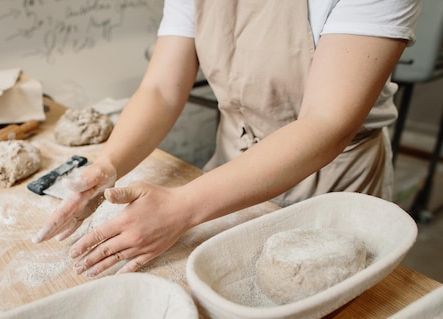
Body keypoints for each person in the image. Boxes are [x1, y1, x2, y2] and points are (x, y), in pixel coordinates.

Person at [34, 0, 423, 277]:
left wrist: (181, 207)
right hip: (231, 166)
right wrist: (106, 166)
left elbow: (325, 123)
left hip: (332, 178)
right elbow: (161, 90)